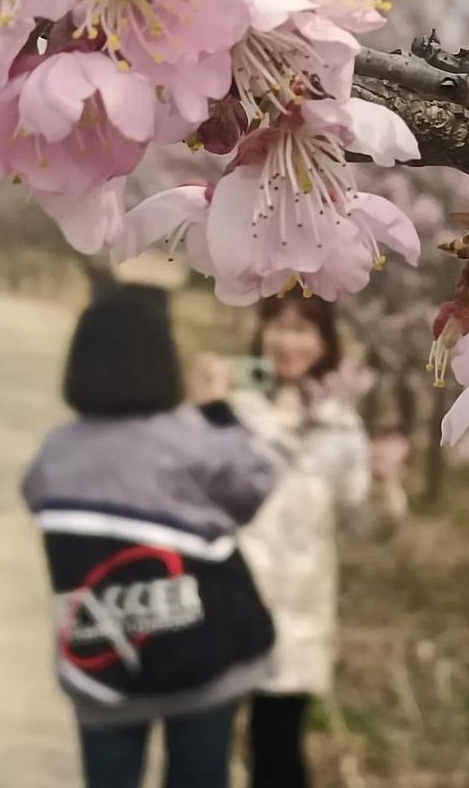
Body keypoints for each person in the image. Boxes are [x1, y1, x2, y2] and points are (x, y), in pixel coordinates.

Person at [22, 285, 279, 788]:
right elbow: (255, 485)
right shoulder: (191, 436)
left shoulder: (56, 452)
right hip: (204, 658)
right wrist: (219, 412)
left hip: (104, 665)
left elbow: (36, 498)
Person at [226, 288, 409, 788]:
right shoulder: (232, 409)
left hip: (296, 614)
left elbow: (364, 527)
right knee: (208, 747)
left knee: (278, 751)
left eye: (303, 329)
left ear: (325, 342)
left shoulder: (341, 425)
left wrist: (381, 483)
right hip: (225, 603)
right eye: (278, 326)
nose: (288, 342)